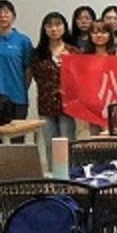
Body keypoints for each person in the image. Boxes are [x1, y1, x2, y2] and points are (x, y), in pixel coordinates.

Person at [31, 11, 78, 158]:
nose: (54, 29)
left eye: (58, 25)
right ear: (44, 29)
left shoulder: (73, 51)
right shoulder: (38, 53)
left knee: (67, 143)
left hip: (68, 106)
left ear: (64, 27)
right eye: (49, 26)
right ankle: (53, 172)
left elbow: (79, 78)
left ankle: (69, 172)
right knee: (50, 144)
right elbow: (36, 76)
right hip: (46, 104)